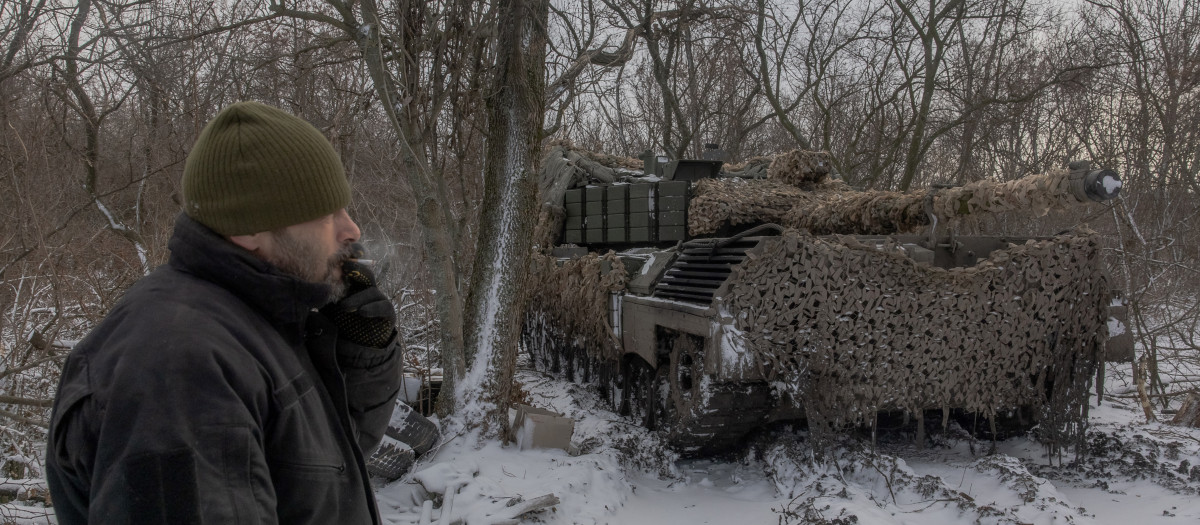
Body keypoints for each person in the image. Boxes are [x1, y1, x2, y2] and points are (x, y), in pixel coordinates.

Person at [45, 101, 404, 524]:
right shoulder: (180, 368)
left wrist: (360, 355)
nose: (352, 230)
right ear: (249, 229)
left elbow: (326, 473)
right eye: (327, 214)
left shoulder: (261, 318)